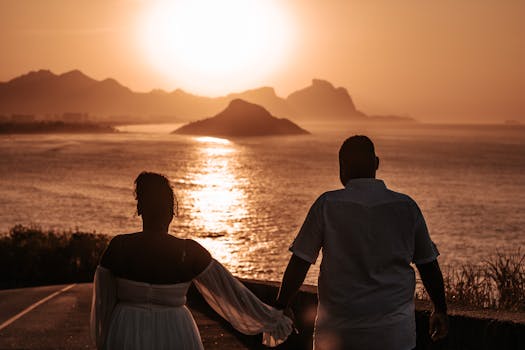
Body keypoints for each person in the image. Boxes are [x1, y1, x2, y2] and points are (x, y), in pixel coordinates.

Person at [275, 135, 448, 350]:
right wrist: (440, 309)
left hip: (338, 336)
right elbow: (428, 264)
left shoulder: (327, 205)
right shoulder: (406, 207)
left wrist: (282, 306)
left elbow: (300, 261)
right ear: (376, 164)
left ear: (342, 167)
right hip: (394, 335)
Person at [90, 171, 292, 350]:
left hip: (126, 329)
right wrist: (274, 317)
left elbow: (102, 304)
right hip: (175, 330)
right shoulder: (189, 252)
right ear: (171, 212)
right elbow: (233, 295)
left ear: (140, 208)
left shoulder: (119, 247)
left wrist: (105, 339)